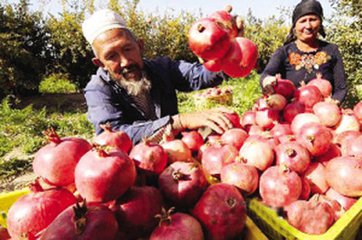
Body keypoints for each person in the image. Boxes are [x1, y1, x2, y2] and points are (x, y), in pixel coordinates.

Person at [81, 9, 238, 144]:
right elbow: (112, 136)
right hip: (135, 168)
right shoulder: (98, 90)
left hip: (177, 154)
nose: (125, 62)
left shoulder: (162, 68)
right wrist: (179, 121)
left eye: (128, 49)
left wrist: (225, 51)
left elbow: (200, 76)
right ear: (100, 63)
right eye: (111, 56)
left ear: (140, 46)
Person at [260, 0, 347, 102]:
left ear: (320, 23)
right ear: (295, 26)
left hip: (324, 112)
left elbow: (341, 88)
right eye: (303, 21)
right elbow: (266, 75)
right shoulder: (283, 52)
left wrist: (332, 105)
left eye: (313, 19)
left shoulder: (332, 50)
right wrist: (267, 81)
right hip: (291, 112)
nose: (308, 26)